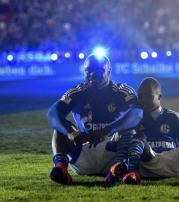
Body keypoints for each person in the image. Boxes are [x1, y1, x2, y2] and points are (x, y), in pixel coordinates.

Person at [46, 53, 143, 184]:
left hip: (112, 153)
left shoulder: (122, 91)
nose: (92, 74)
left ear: (109, 71)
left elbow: (137, 113)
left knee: (130, 128)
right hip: (84, 152)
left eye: (99, 70)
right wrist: (72, 133)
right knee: (60, 129)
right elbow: (53, 113)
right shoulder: (77, 92)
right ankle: (61, 168)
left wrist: (107, 130)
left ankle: (119, 168)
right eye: (88, 70)